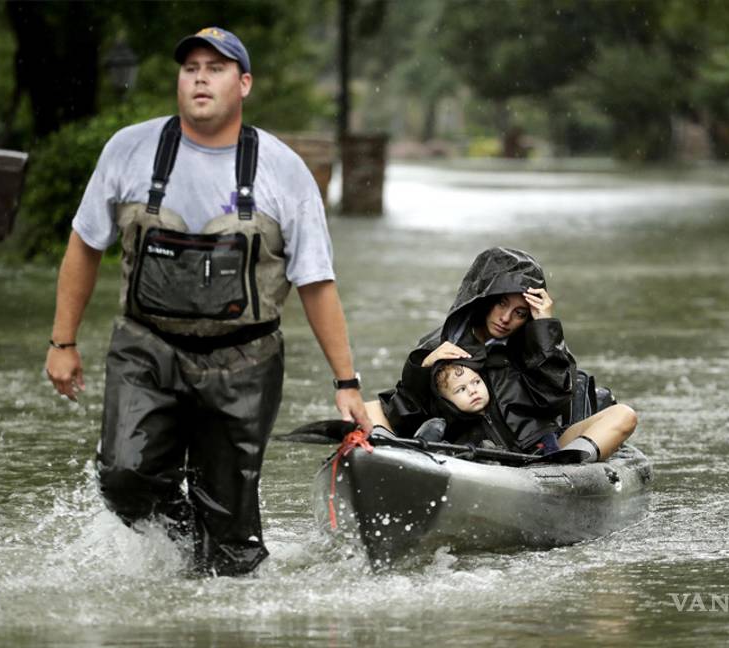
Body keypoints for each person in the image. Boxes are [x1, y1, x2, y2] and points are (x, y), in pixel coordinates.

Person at [44, 27, 370, 576]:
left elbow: (315, 280)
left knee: (232, 537)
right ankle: (183, 546)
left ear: (243, 84)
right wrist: (62, 341)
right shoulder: (129, 149)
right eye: (190, 66)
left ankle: (221, 582)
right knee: (123, 478)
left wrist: (346, 382)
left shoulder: (283, 169)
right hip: (145, 349)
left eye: (215, 68)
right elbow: (84, 245)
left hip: (245, 362)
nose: (200, 76)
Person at [371, 247, 636, 463]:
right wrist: (423, 369)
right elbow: (405, 417)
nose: (506, 318)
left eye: (520, 313)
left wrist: (545, 328)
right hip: (473, 456)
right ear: (485, 299)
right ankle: (383, 457)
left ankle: (570, 466)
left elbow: (556, 400)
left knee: (623, 414)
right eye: (502, 303)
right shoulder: (439, 345)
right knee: (369, 407)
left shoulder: (538, 343)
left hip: (541, 452)